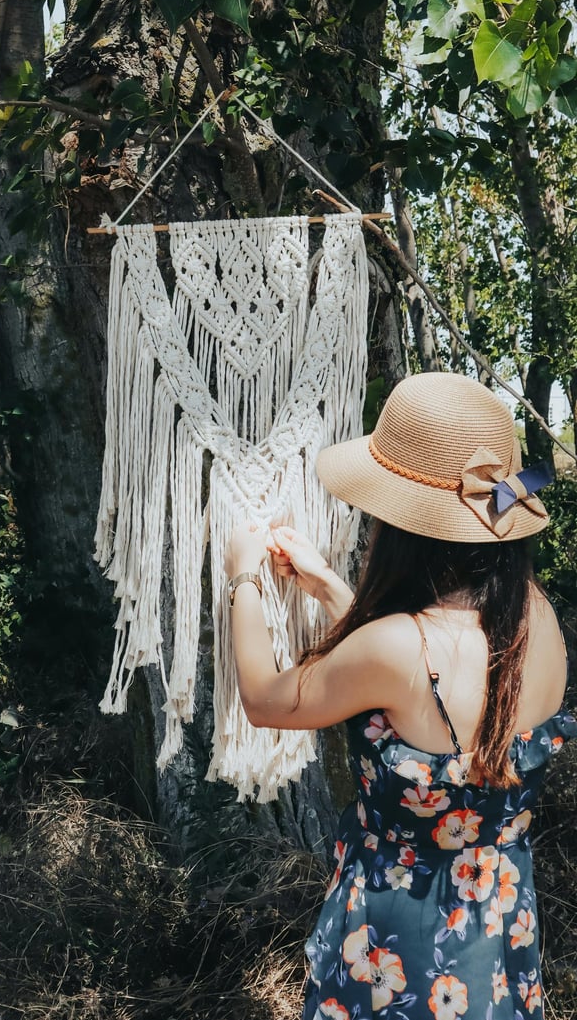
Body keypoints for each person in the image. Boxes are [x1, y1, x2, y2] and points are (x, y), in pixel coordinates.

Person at [224, 372, 576, 1020]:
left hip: (403, 946)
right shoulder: (538, 617)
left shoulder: (396, 648)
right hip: (497, 927)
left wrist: (242, 574)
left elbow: (267, 699)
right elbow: (426, 682)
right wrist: (327, 586)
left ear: (405, 526)